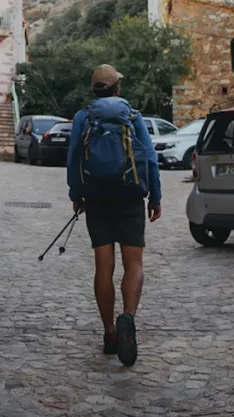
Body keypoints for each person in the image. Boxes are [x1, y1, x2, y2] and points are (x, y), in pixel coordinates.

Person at [67, 64, 162, 366]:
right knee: (133, 264)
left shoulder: (83, 118)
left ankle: (109, 332)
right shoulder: (133, 118)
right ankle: (127, 318)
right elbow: (150, 158)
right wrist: (155, 197)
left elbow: (72, 160)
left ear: (95, 90)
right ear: (117, 88)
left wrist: (76, 195)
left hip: (96, 198)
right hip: (131, 197)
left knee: (103, 267)